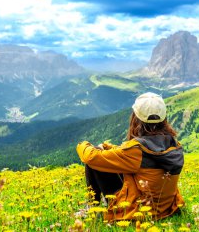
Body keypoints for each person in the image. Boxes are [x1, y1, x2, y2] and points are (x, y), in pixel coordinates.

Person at [76, 92, 184, 221]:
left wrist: (84, 144)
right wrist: (110, 147)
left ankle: (92, 207)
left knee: (95, 160)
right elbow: (130, 155)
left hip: (139, 209)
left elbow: (90, 157)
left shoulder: (137, 150)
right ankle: (94, 206)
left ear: (136, 118)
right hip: (165, 207)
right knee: (105, 157)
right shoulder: (173, 144)